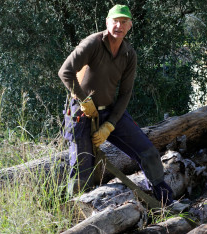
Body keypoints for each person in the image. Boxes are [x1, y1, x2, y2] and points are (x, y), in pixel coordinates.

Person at [58, 4, 173, 205]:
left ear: (129, 26)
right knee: (82, 170)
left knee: (149, 153)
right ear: (107, 22)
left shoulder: (129, 54)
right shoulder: (92, 43)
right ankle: (74, 216)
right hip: (81, 113)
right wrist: (84, 100)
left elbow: (126, 93)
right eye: (115, 21)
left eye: (123, 22)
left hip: (111, 111)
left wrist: (110, 124)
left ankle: (163, 203)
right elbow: (65, 72)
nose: (118, 26)